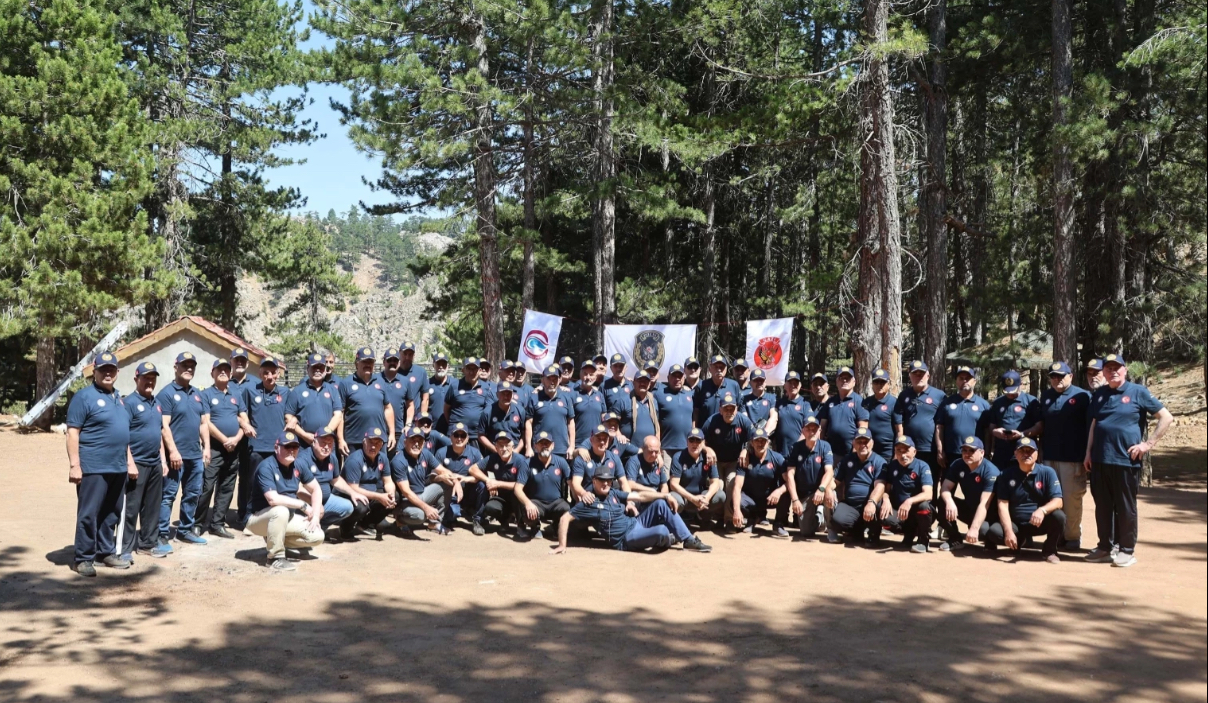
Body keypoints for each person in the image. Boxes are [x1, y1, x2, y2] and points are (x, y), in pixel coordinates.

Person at [1084, 353, 1173, 568]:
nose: (1113, 371)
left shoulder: (1138, 392)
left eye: (1117, 368)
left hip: (1126, 460)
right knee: (1103, 506)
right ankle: (1105, 547)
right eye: (1109, 368)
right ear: (1104, 373)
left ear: (1125, 371)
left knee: (1125, 507)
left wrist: (1146, 445)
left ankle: (1126, 550)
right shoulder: (1100, 394)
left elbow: (1166, 417)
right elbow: (1095, 424)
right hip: (1099, 459)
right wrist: (1088, 453)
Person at [66, 352, 135, 576]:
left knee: (111, 513)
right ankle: (83, 558)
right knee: (89, 513)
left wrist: (129, 462)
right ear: (94, 372)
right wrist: (75, 465)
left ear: (117, 373)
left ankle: (105, 552)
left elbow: (123, 436)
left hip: (118, 467)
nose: (108, 373)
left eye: (112, 369)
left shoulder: (119, 399)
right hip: (93, 466)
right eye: (103, 369)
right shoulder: (83, 397)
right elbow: (72, 433)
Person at [550, 467, 713, 554]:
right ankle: (670, 538)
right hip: (625, 539)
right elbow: (565, 518)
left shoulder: (613, 492)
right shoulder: (589, 501)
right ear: (594, 481)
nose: (606, 484)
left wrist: (665, 495)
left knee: (661, 504)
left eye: (608, 480)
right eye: (601, 480)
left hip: (636, 523)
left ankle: (688, 540)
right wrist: (561, 545)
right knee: (662, 531)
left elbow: (639, 496)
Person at [1027, 361, 1091, 550]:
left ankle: (1072, 537)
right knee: (1050, 499)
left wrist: (1087, 454)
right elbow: (1042, 426)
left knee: (1071, 499)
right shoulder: (1046, 396)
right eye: (1053, 376)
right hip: (1049, 457)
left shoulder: (1082, 396)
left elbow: (1090, 426)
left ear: (1070, 376)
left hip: (1073, 458)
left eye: (1061, 376)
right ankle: (1056, 535)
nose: (1057, 380)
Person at [246, 431, 324, 572]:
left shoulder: (299, 464)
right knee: (280, 510)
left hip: (286, 518)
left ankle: (275, 540)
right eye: (287, 447)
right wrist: (303, 505)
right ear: (276, 447)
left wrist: (316, 515)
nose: (291, 451)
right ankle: (275, 557)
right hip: (257, 518)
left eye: (294, 447)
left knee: (317, 536)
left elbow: (316, 489)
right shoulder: (266, 466)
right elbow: (273, 499)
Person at [157, 352, 210, 547]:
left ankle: (185, 530)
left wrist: (207, 448)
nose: (189, 369)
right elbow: (164, 425)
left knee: (192, 494)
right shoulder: (167, 394)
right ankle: (162, 533)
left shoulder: (197, 394)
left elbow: (204, 423)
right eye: (184, 365)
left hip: (195, 456)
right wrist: (173, 451)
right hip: (176, 458)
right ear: (175, 366)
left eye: (192, 366)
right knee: (168, 495)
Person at [986, 438, 1066, 563]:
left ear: (1037, 454)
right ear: (1015, 454)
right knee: (994, 532)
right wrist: (1008, 531)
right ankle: (1018, 542)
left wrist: (1042, 510)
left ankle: (1049, 550)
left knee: (1059, 516)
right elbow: (1002, 505)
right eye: (1022, 451)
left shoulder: (1048, 472)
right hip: (1016, 524)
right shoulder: (1005, 474)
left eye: (1030, 451)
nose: (1026, 454)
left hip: (1039, 523)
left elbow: (1058, 501)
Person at [120, 362, 168, 561]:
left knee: (152, 507)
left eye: (153, 378)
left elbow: (159, 434)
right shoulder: (129, 403)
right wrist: (129, 462)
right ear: (136, 379)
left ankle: (148, 544)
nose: (150, 382)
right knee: (131, 508)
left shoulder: (156, 404)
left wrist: (163, 461)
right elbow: (122, 436)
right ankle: (124, 549)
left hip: (155, 463)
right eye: (146, 378)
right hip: (136, 464)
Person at [195, 359, 246, 540]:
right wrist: (225, 440)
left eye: (226, 369)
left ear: (231, 373)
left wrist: (237, 438)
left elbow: (244, 420)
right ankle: (198, 523)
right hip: (215, 448)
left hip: (233, 449)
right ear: (212, 373)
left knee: (227, 487)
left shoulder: (236, 395)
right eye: (219, 370)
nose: (223, 372)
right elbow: (206, 422)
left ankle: (217, 524)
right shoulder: (206, 394)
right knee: (207, 486)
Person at [238, 356, 287, 527]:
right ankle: (247, 517)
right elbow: (240, 413)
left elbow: (290, 415)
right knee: (252, 483)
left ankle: (272, 516)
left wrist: (293, 421)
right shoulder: (250, 391)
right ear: (260, 374)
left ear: (278, 374)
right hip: (257, 447)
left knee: (277, 484)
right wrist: (245, 424)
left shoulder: (286, 393)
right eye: (265, 373)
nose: (269, 376)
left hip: (279, 449)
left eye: (273, 372)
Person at [865, 436, 934, 553]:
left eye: (906, 450)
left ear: (914, 451)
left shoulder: (923, 466)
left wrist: (909, 501)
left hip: (917, 514)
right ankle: (875, 537)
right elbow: (886, 489)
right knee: (878, 505)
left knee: (924, 506)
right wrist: (886, 499)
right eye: (899, 451)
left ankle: (923, 541)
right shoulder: (892, 466)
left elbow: (928, 494)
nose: (903, 455)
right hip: (900, 513)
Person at [936, 436, 999, 552]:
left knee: (983, 531)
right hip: (970, 508)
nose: (967, 453)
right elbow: (945, 487)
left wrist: (975, 528)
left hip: (989, 514)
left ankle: (990, 541)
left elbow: (984, 504)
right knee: (942, 501)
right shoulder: (958, 464)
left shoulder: (990, 471)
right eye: (964, 450)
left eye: (972, 450)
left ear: (982, 453)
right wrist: (950, 502)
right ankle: (955, 539)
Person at [293, 429, 359, 538]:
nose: (327, 447)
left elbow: (336, 480)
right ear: (314, 442)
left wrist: (352, 493)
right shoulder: (302, 459)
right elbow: (298, 489)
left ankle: (320, 528)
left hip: (326, 500)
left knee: (348, 507)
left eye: (330, 443)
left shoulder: (332, 458)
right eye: (323, 443)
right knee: (314, 512)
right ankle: (303, 533)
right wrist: (316, 504)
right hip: (304, 502)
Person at [830, 429, 888, 547]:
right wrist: (828, 490)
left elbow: (880, 485)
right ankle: (856, 531)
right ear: (853, 443)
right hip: (851, 504)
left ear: (872, 443)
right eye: (859, 442)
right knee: (837, 520)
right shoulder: (847, 459)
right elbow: (835, 481)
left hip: (870, 504)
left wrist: (871, 502)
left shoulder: (879, 461)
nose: (863, 445)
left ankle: (873, 534)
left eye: (866, 441)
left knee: (877, 504)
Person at [705, 392, 756, 525]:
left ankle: (729, 519)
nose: (729, 412)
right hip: (715, 461)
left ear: (736, 409)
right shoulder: (712, 421)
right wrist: (707, 449)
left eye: (732, 408)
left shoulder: (743, 420)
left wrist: (746, 449)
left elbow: (754, 438)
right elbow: (699, 440)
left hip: (734, 461)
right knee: (718, 486)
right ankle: (715, 516)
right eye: (726, 409)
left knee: (731, 484)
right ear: (720, 410)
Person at [513, 432, 572, 542]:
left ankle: (556, 526)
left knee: (567, 509)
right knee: (527, 512)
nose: (545, 445)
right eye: (541, 443)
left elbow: (572, 483)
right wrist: (528, 503)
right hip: (536, 503)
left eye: (547, 443)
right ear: (535, 446)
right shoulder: (527, 464)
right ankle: (535, 527)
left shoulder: (561, 462)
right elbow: (517, 488)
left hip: (556, 502)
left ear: (553, 445)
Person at [783, 416, 835, 541]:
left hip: (821, 489)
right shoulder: (796, 448)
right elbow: (790, 474)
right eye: (808, 429)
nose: (812, 432)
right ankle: (819, 518)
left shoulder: (825, 446)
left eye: (815, 429)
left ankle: (832, 529)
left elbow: (829, 471)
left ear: (819, 431)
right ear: (803, 431)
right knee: (806, 532)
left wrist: (822, 489)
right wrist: (795, 500)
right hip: (805, 494)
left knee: (831, 494)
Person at [337, 428, 395, 539]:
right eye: (371, 442)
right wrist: (379, 497)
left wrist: (390, 494)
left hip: (370, 492)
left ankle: (364, 525)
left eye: (377, 443)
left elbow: (388, 481)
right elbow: (353, 488)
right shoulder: (355, 460)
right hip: (350, 494)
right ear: (364, 442)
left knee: (395, 498)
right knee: (361, 507)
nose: (373, 446)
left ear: (382, 445)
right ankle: (345, 528)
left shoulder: (383, 458)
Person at [389, 428, 448, 535]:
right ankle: (400, 520)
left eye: (419, 441)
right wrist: (427, 508)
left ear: (424, 443)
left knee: (447, 482)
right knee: (420, 516)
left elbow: (443, 471)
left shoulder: (426, 453)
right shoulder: (399, 461)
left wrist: (456, 482)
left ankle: (434, 523)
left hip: (422, 494)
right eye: (413, 440)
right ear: (405, 442)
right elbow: (406, 492)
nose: (416, 444)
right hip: (406, 501)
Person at [732, 428, 789, 536]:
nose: (760, 443)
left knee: (786, 493)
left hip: (770, 498)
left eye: (763, 440)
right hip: (750, 499)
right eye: (757, 440)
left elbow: (789, 482)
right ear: (752, 443)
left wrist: (779, 491)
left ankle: (778, 524)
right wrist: (736, 511)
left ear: (768, 442)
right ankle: (752, 518)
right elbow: (737, 487)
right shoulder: (745, 459)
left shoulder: (778, 458)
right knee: (736, 501)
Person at [338, 347, 395, 457]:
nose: (368, 365)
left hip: (378, 439)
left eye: (370, 362)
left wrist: (391, 433)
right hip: (355, 440)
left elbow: (388, 408)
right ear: (356, 363)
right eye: (364, 362)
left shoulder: (381, 382)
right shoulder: (346, 384)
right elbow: (340, 413)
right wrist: (340, 439)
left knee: (379, 472)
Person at [468, 432, 529, 534]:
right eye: (500, 445)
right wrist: (488, 480)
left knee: (517, 494)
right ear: (495, 447)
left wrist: (497, 484)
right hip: (500, 497)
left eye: (507, 445)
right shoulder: (492, 458)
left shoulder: (521, 460)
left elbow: (522, 485)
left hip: (517, 498)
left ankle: (521, 525)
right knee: (491, 507)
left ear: (513, 446)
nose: (504, 448)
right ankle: (503, 522)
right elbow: (472, 469)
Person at [893, 360, 946, 474]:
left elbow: (941, 425)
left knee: (932, 480)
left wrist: (940, 449)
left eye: (921, 374)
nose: (918, 377)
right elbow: (899, 424)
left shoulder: (939, 395)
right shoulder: (904, 395)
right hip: (908, 448)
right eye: (915, 374)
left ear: (928, 375)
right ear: (910, 376)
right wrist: (899, 446)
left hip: (930, 448)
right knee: (909, 480)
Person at [935, 365, 991, 469]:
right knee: (948, 484)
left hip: (975, 454)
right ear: (956, 382)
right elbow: (939, 428)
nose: (964, 381)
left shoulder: (983, 405)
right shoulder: (946, 403)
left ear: (974, 381)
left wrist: (987, 453)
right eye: (961, 378)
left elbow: (988, 431)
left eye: (968, 378)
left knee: (973, 484)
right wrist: (940, 451)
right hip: (951, 453)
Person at [283, 352, 343, 446]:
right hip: (304, 444)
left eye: (321, 367)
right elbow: (288, 417)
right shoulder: (297, 391)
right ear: (308, 369)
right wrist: (304, 435)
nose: (318, 370)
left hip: (327, 443)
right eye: (314, 367)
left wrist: (325, 434)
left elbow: (338, 415)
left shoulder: (333, 390)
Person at [668, 429, 725, 526]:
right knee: (675, 499)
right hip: (684, 497)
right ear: (687, 441)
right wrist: (692, 498)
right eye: (691, 440)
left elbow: (715, 482)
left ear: (703, 443)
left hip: (701, 497)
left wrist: (706, 498)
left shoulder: (708, 457)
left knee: (720, 495)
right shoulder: (678, 457)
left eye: (698, 440)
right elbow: (673, 484)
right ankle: (679, 520)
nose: (694, 444)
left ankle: (703, 516)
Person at [433, 423, 484, 529]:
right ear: (450, 437)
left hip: (469, 491)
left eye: (463, 436)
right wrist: (451, 479)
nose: (459, 439)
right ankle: (449, 516)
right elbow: (434, 477)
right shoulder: (441, 453)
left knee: (482, 485)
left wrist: (466, 478)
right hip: (450, 493)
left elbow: (483, 475)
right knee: (453, 514)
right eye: (456, 435)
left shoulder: (475, 453)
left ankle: (477, 520)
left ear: (467, 438)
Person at [987, 370, 1040, 466]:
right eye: (1007, 391)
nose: (1010, 394)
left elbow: (1039, 426)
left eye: (1013, 391)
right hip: (1001, 453)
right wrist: (995, 432)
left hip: (1025, 451)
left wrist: (1022, 434)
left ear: (1021, 384)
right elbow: (991, 426)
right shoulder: (998, 403)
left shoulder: (1031, 401)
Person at [525, 364, 576, 460]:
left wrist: (572, 446)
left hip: (562, 449)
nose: (552, 382)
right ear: (542, 380)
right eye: (549, 379)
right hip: (539, 448)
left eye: (555, 379)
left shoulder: (566, 397)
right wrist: (528, 447)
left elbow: (571, 423)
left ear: (559, 380)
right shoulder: (534, 397)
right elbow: (528, 423)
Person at [818, 366, 869, 457]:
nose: (844, 381)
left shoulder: (859, 401)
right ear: (837, 381)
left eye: (848, 378)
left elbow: (863, 428)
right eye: (841, 378)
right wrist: (820, 448)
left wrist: (855, 451)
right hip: (831, 453)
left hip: (851, 453)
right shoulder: (830, 402)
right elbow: (822, 427)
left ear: (854, 382)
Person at [571, 425, 624, 503]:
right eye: (599, 439)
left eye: (605, 439)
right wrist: (583, 493)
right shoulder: (581, 458)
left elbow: (623, 482)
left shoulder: (614, 458)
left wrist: (630, 502)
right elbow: (575, 483)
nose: (602, 442)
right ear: (591, 440)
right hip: (590, 499)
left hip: (609, 499)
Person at [444, 358, 490, 443]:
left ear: (479, 370)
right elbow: (446, 408)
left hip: (476, 436)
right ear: (463, 370)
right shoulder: (454, 386)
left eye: (474, 369)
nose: (471, 372)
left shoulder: (486, 388)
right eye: (469, 369)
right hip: (456, 435)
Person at [657, 364, 697, 458]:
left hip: (687, 447)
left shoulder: (691, 394)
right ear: (668, 378)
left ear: (684, 377)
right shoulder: (659, 394)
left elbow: (695, 415)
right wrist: (658, 444)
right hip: (666, 447)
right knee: (665, 473)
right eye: (674, 376)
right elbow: (656, 421)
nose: (677, 379)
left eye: (680, 376)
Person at [477, 382, 526, 456]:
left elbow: (524, 433)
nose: (506, 397)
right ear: (497, 395)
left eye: (509, 394)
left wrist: (517, 450)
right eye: (503, 394)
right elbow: (481, 435)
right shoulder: (488, 412)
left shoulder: (520, 411)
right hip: (495, 453)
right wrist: (495, 450)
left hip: (515, 453)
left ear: (512, 395)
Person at [377, 347, 409, 453]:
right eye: (389, 360)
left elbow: (410, 405)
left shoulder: (405, 381)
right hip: (378, 429)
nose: (392, 363)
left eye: (395, 360)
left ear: (399, 362)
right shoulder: (375, 379)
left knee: (395, 463)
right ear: (383, 362)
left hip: (398, 430)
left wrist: (408, 424)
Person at [694, 354, 742, 425]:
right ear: (710, 369)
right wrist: (694, 429)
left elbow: (739, 409)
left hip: (728, 431)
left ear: (726, 370)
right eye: (716, 367)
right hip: (706, 431)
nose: (719, 370)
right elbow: (696, 411)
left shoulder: (734, 385)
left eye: (721, 367)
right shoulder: (701, 386)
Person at [862, 369, 897, 461]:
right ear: (872, 384)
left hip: (887, 451)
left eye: (883, 382)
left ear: (888, 384)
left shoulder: (894, 403)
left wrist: (896, 453)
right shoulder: (866, 402)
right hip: (869, 449)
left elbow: (899, 430)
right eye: (876, 382)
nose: (879, 385)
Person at [570, 360, 607, 446]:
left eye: (591, 374)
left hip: (596, 444)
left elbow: (604, 418)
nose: (588, 377)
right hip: (578, 443)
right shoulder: (572, 394)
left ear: (595, 376)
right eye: (585, 374)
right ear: (580, 374)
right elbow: (568, 422)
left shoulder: (600, 395)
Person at [773, 371, 811, 455]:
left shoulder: (805, 404)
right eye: (790, 383)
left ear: (800, 385)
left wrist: (797, 446)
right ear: (785, 385)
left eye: (796, 383)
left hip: (799, 451)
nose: (793, 385)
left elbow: (808, 428)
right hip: (780, 451)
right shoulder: (779, 403)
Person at [626, 370, 660, 449]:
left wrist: (658, 444)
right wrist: (619, 435)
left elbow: (657, 425)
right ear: (634, 383)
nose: (642, 383)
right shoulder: (625, 400)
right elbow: (614, 424)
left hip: (650, 450)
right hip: (630, 450)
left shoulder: (653, 401)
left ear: (649, 384)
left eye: (645, 381)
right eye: (639, 381)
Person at [602, 353, 634, 435]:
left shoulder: (632, 385)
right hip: (612, 432)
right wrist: (617, 433)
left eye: (621, 366)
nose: (619, 369)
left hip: (631, 431)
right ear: (611, 368)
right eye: (616, 366)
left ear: (626, 367)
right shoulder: (604, 386)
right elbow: (603, 413)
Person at [398, 341, 430, 420]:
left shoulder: (420, 372)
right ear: (399, 353)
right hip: (397, 419)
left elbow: (425, 398)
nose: (407, 357)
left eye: (410, 354)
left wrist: (422, 419)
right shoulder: (394, 372)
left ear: (414, 355)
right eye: (405, 354)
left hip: (414, 419)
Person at [426, 353, 454, 433]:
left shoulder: (455, 384)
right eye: (438, 364)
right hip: (432, 430)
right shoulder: (427, 384)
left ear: (448, 366)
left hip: (450, 430)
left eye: (444, 364)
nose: (441, 367)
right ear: (433, 365)